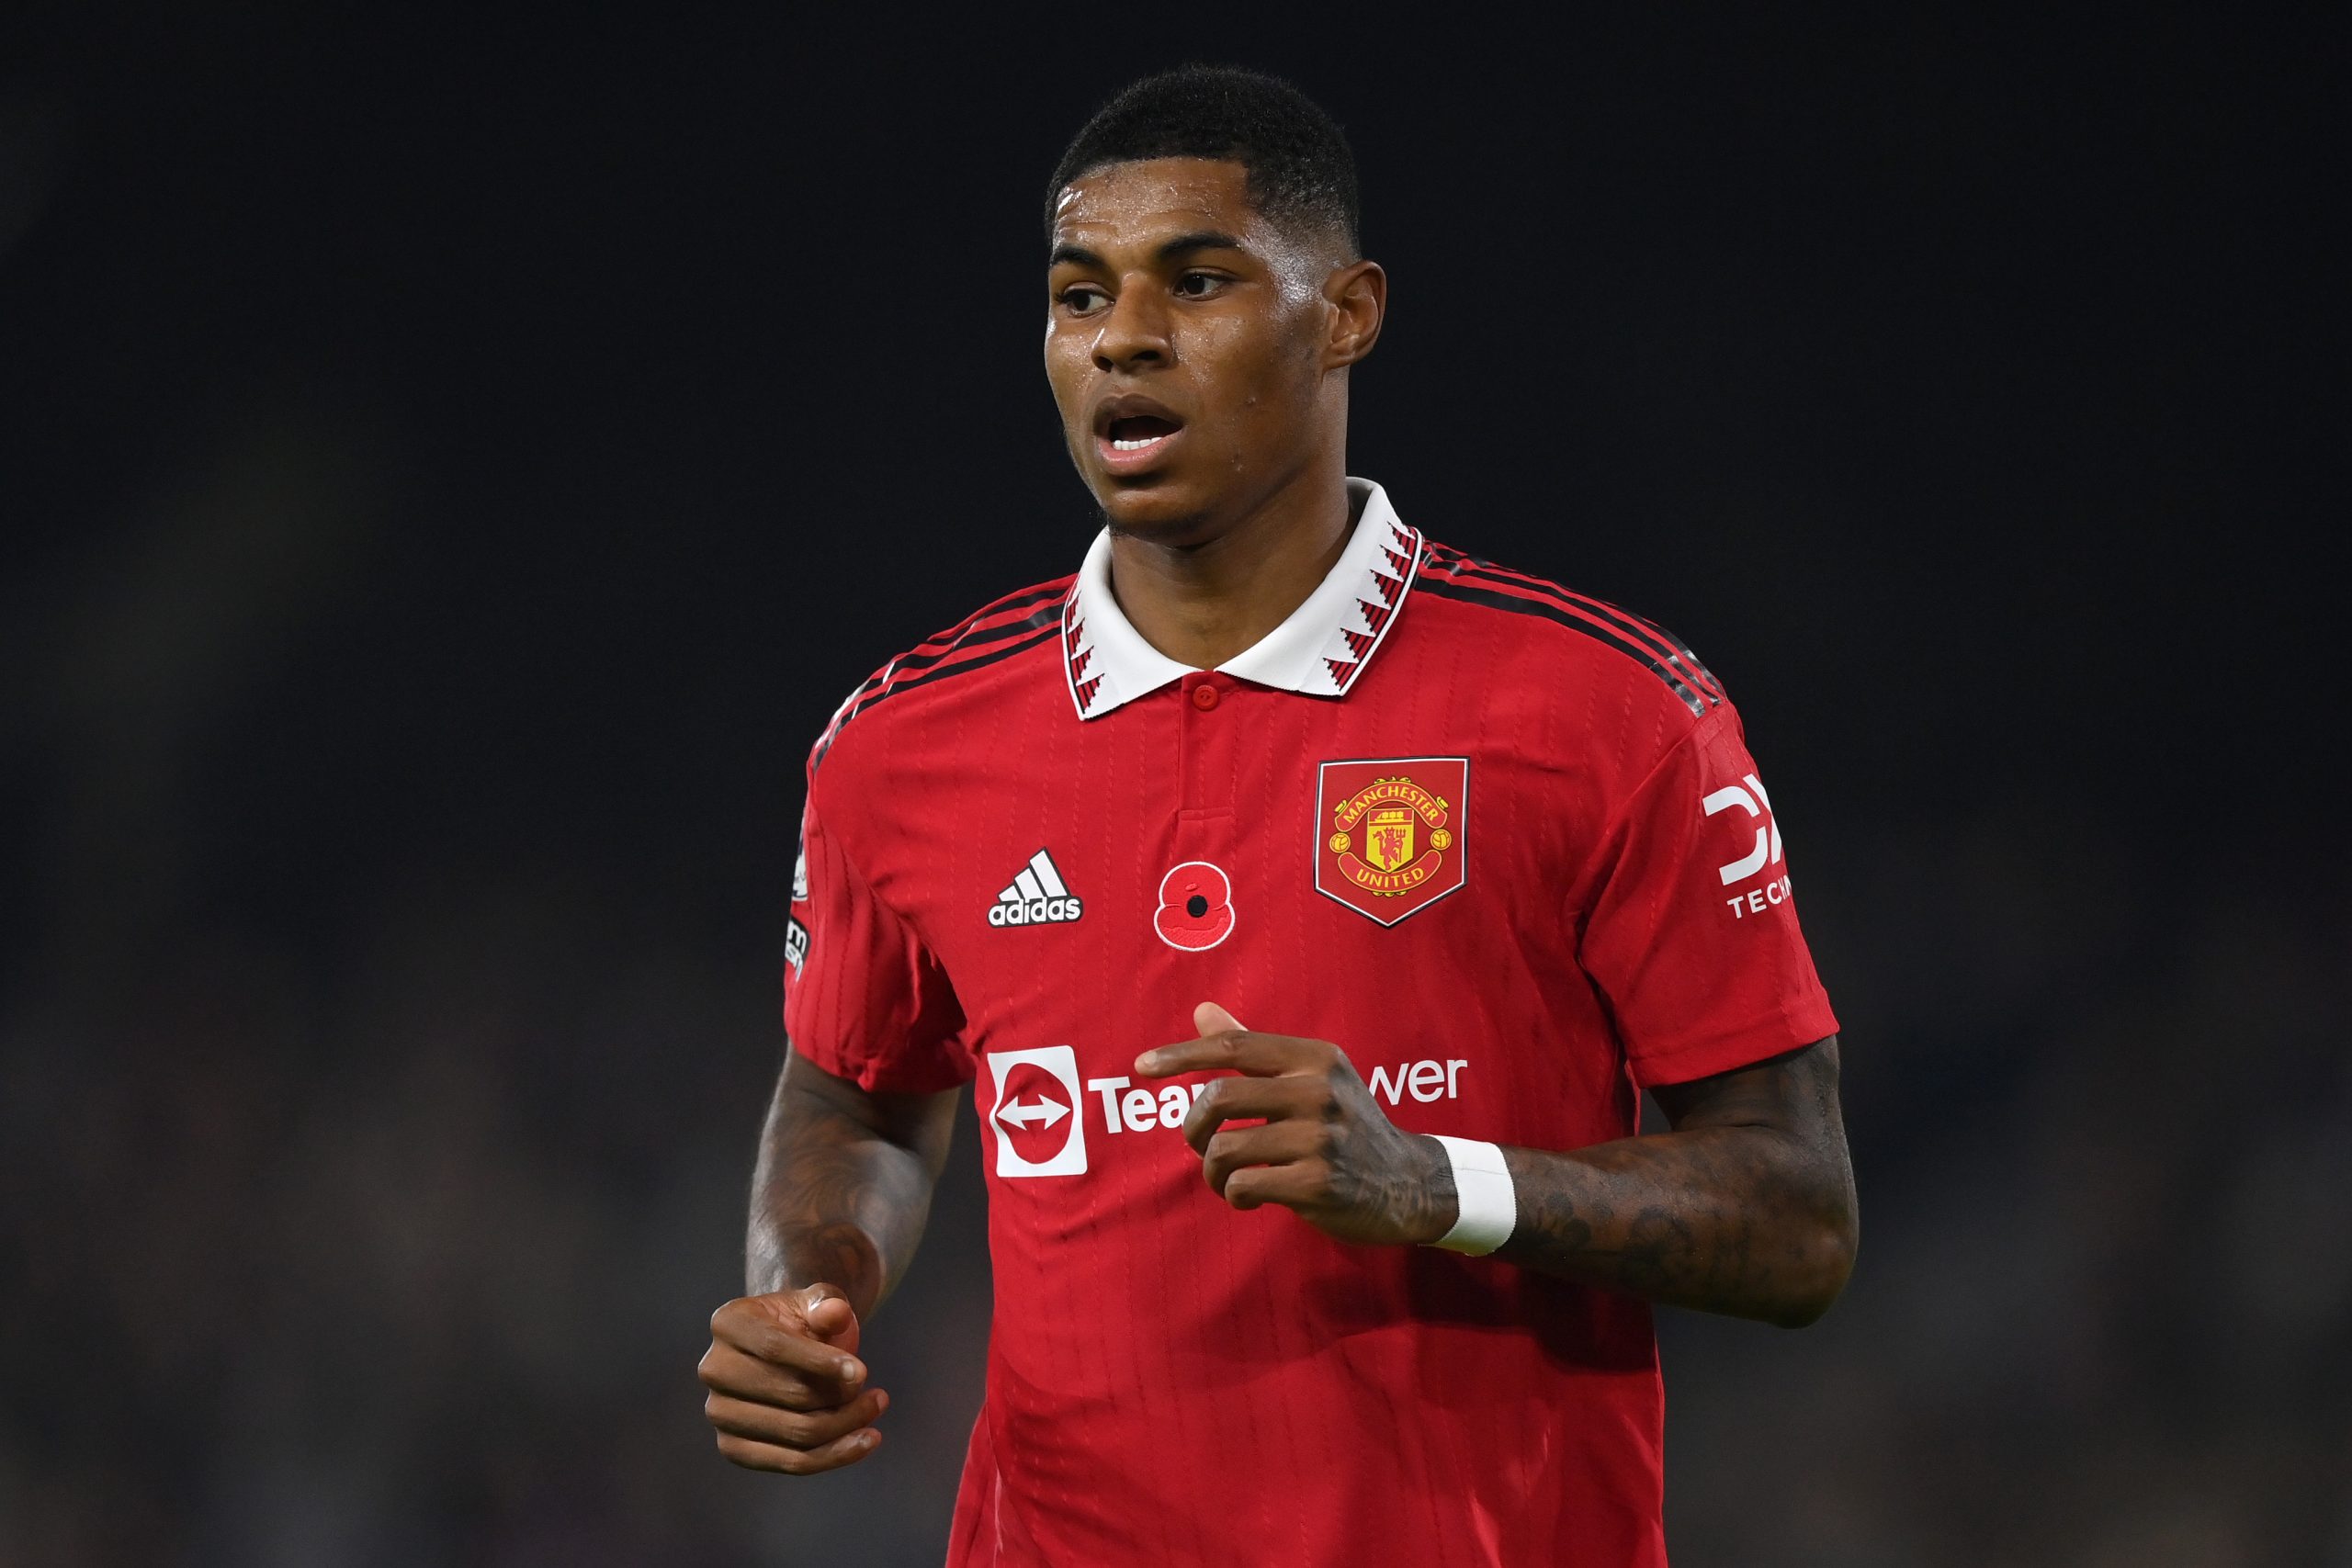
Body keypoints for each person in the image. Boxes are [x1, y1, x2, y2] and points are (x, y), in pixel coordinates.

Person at [699, 64, 1857, 1567]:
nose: (1122, 335)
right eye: (1077, 295)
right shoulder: (901, 745)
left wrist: (1439, 1183)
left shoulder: (1610, 714)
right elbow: (859, 1091)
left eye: (1197, 280)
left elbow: (1800, 1218)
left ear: (1348, 315)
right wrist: (810, 1283)